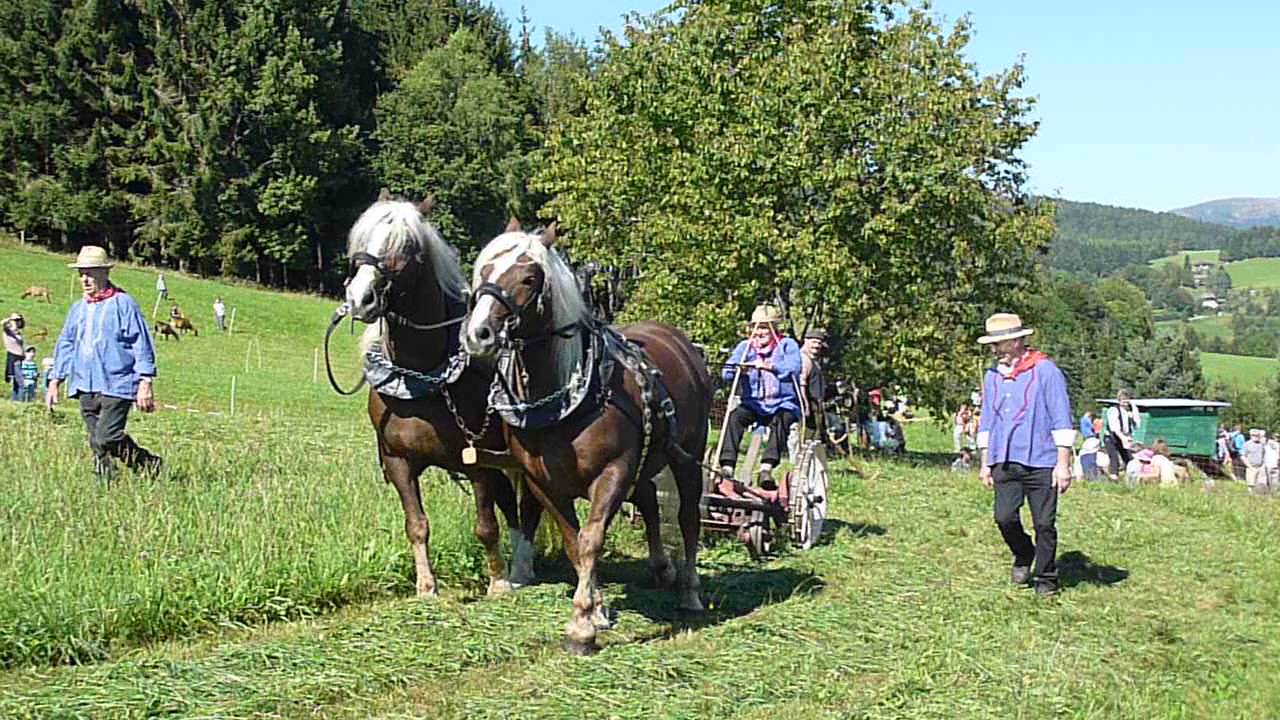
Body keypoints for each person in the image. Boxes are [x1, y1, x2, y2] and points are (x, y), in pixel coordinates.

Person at [976, 313, 1073, 597]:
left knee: (1044, 523)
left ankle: (1046, 579)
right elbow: (986, 419)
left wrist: (1063, 464)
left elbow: (1061, 418)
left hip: (1041, 461)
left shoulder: (1046, 371)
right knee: (1004, 517)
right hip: (1004, 459)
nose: (995, 351)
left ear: (1017, 341)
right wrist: (985, 462)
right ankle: (1023, 553)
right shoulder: (992, 376)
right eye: (993, 346)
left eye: (1000, 345)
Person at [47, 246, 162, 481]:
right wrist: (55, 380)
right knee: (96, 441)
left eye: (90, 273)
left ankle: (148, 463)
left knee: (106, 437)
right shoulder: (78, 309)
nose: (85, 279)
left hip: (117, 383)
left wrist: (145, 381)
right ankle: (106, 482)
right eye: (81, 273)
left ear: (104, 273)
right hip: (84, 384)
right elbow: (66, 343)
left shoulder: (123, 304)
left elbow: (141, 343)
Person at [719, 304, 802, 487]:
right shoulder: (745, 347)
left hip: (782, 403)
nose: (760, 332)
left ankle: (766, 468)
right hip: (754, 403)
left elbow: (794, 368)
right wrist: (739, 368)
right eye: (757, 327)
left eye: (765, 327)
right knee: (734, 418)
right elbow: (726, 372)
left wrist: (771, 367)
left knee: (782, 421)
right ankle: (727, 466)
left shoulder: (787, 345)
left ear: (774, 328)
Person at [1103, 391, 1139, 482]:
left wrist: (1133, 413)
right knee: (1114, 458)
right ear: (1119, 401)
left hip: (1123, 437)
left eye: (1127, 401)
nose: (1125, 403)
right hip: (1112, 438)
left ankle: (1131, 478)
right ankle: (1113, 479)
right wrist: (1123, 438)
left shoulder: (1129, 411)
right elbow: (1115, 428)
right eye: (1123, 401)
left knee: (1128, 458)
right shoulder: (1114, 410)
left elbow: (1137, 425)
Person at [4, 312, 24, 400]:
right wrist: (11, 319)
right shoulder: (8, 331)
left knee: (17, 382)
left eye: (19, 320)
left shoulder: (18, 333)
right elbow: (3, 324)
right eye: (16, 320)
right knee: (20, 382)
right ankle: (19, 401)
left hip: (20, 358)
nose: (17, 322)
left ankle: (15, 400)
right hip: (14, 357)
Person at [1241, 429, 1267, 495]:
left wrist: (1263, 465)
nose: (1256, 437)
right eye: (1254, 435)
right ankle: (1251, 496)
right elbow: (1243, 456)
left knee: (1261, 483)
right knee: (1251, 484)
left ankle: (1260, 496)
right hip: (1251, 467)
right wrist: (1249, 466)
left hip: (1260, 467)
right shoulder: (1247, 444)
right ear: (1251, 436)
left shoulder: (1262, 444)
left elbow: (1264, 455)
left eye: (1257, 435)